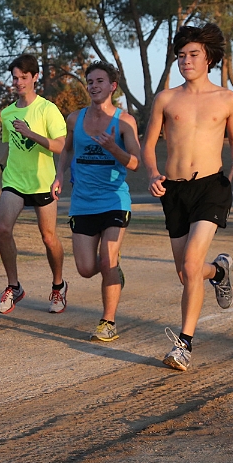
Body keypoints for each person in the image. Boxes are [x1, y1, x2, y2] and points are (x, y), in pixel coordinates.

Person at [141, 23, 233, 371]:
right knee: (185, 273)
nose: (185, 60)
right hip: (174, 190)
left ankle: (184, 345)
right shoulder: (166, 98)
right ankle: (218, 272)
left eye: (193, 55)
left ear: (209, 58)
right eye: (181, 55)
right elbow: (148, 145)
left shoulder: (228, 99)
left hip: (211, 187)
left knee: (189, 266)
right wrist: (153, 173)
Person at [51, 61, 141, 342]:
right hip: (82, 202)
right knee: (87, 269)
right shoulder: (74, 119)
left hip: (115, 199)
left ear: (113, 86)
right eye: (90, 81)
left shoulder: (124, 121)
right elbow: (66, 150)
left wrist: (114, 148)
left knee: (108, 260)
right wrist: (59, 176)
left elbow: (136, 162)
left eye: (100, 81)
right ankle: (113, 270)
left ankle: (107, 321)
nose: (94, 86)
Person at [0, 54, 68, 314]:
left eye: (24, 77)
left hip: (42, 182)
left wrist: (30, 133)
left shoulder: (47, 109)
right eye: (15, 77)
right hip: (13, 180)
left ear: (35, 77)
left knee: (48, 238)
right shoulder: (8, 112)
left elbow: (60, 146)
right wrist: (0, 164)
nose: (19, 82)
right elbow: (10, 146)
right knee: (2, 229)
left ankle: (58, 286)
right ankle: (14, 286)